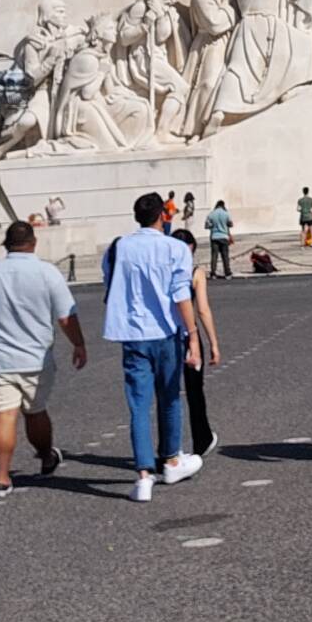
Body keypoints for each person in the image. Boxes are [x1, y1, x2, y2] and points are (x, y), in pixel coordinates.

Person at [0, 220, 86, 499]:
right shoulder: (47, 272)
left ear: (6, 244)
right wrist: (79, 343)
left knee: (4, 414)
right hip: (36, 357)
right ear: (33, 242)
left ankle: (1, 479)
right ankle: (47, 455)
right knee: (35, 410)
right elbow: (65, 316)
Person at [101, 194, 203, 503]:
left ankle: (143, 476)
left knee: (138, 406)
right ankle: (171, 460)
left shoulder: (118, 248)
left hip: (132, 333)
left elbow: (110, 283)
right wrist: (193, 334)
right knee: (169, 398)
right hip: (165, 331)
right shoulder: (174, 248)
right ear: (163, 215)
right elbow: (180, 295)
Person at [173, 227, 222, 457]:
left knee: (168, 392)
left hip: (164, 335)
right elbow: (202, 310)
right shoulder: (195, 272)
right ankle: (201, 438)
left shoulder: (163, 269)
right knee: (194, 391)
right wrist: (213, 342)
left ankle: (170, 448)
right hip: (188, 335)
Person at [205, 198, 235, 279]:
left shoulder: (211, 214)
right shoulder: (226, 214)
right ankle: (227, 273)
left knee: (214, 256)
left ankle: (213, 273)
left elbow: (207, 226)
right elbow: (231, 224)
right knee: (225, 256)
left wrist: (213, 226)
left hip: (214, 237)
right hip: (224, 237)